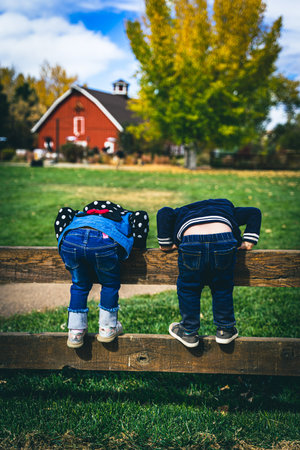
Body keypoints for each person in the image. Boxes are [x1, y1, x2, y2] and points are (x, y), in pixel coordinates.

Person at [156, 198, 261, 348]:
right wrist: (249, 239)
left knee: (189, 288)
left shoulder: (181, 211)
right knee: (222, 286)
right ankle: (225, 329)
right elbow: (254, 212)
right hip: (223, 239)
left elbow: (164, 212)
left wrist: (165, 243)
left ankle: (188, 331)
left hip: (192, 241)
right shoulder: (226, 208)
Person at [55, 200, 149, 348]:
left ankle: (75, 332)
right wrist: (138, 247)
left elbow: (63, 212)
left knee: (79, 285)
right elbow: (141, 216)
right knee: (109, 284)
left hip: (72, 239)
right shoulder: (125, 215)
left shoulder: (80, 215)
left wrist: (62, 243)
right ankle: (107, 328)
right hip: (104, 242)